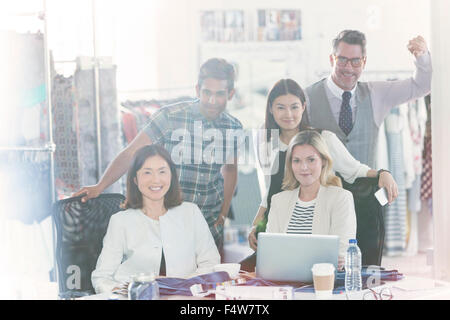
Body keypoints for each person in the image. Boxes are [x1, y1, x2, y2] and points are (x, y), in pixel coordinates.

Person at [74, 58, 243, 256]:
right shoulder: (169, 117)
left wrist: (223, 213)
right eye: (207, 92)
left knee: (207, 286)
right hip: (166, 227)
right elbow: (131, 152)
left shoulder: (234, 128)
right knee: (166, 285)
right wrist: (100, 186)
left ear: (230, 94)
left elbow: (230, 170)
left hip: (209, 229)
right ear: (197, 89)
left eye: (219, 94)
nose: (212, 101)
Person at [248, 78, 397, 251]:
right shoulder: (267, 142)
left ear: (303, 107)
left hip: (317, 223)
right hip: (281, 224)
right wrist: (256, 225)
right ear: (271, 109)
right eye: (281, 107)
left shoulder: (323, 139)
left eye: (294, 107)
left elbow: (355, 170)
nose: (288, 114)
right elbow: (270, 192)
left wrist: (383, 173)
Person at [91, 145, 220, 294]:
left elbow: (211, 263)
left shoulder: (191, 212)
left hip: (185, 297)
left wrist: (181, 287)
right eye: (147, 172)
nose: (156, 180)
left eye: (162, 172)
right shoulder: (120, 221)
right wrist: (124, 292)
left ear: (171, 175)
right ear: (135, 179)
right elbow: (101, 277)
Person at [305, 30, 432, 168]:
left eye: (356, 61)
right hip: (322, 189)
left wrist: (422, 58)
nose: (348, 68)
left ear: (364, 62)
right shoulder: (307, 97)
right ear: (332, 59)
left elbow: (421, 86)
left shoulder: (377, 94)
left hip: (366, 188)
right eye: (342, 60)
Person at [266, 130, 356, 267]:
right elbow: (271, 254)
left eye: (311, 160)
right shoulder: (278, 201)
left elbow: (341, 256)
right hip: (283, 282)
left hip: (323, 282)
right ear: (290, 164)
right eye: (297, 160)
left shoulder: (341, 198)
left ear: (324, 161)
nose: (303, 167)